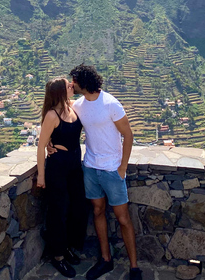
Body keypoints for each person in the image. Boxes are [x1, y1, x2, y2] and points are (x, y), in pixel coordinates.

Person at [69, 64, 141, 280]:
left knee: (123, 218)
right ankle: (105, 260)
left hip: (111, 169)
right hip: (91, 167)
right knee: (98, 211)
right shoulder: (79, 106)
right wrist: (50, 145)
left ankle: (135, 267)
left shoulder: (110, 103)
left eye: (74, 81)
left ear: (83, 82)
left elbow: (128, 135)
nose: (72, 84)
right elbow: (57, 114)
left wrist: (122, 168)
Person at [36, 77, 88, 278]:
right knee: (58, 210)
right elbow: (41, 145)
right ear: (59, 91)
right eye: (68, 85)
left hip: (74, 163)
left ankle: (67, 246)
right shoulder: (52, 115)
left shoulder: (73, 106)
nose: (71, 86)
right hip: (58, 166)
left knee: (77, 207)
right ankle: (57, 255)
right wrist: (41, 175)